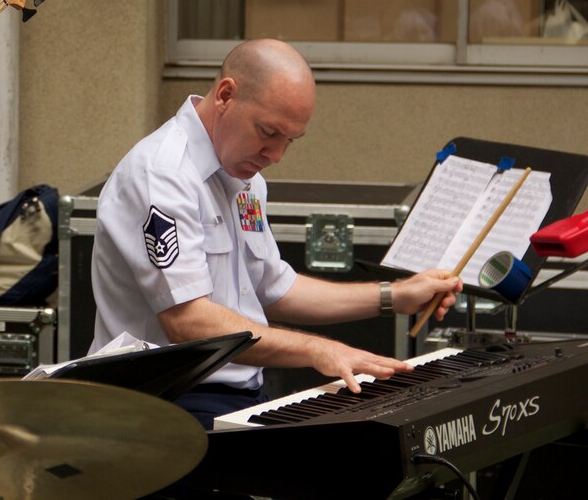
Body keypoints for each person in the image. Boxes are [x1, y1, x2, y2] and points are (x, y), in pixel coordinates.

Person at [90, 39, 462, 429]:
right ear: (226, 95)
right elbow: (189, 322)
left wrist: (395, 296)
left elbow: (273, 286)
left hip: (233, 394)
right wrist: (317, 350)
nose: (276, 155)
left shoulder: (245, 178)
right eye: (269, 132)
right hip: (159, 406)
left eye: (290, 140)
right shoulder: (162, 175)